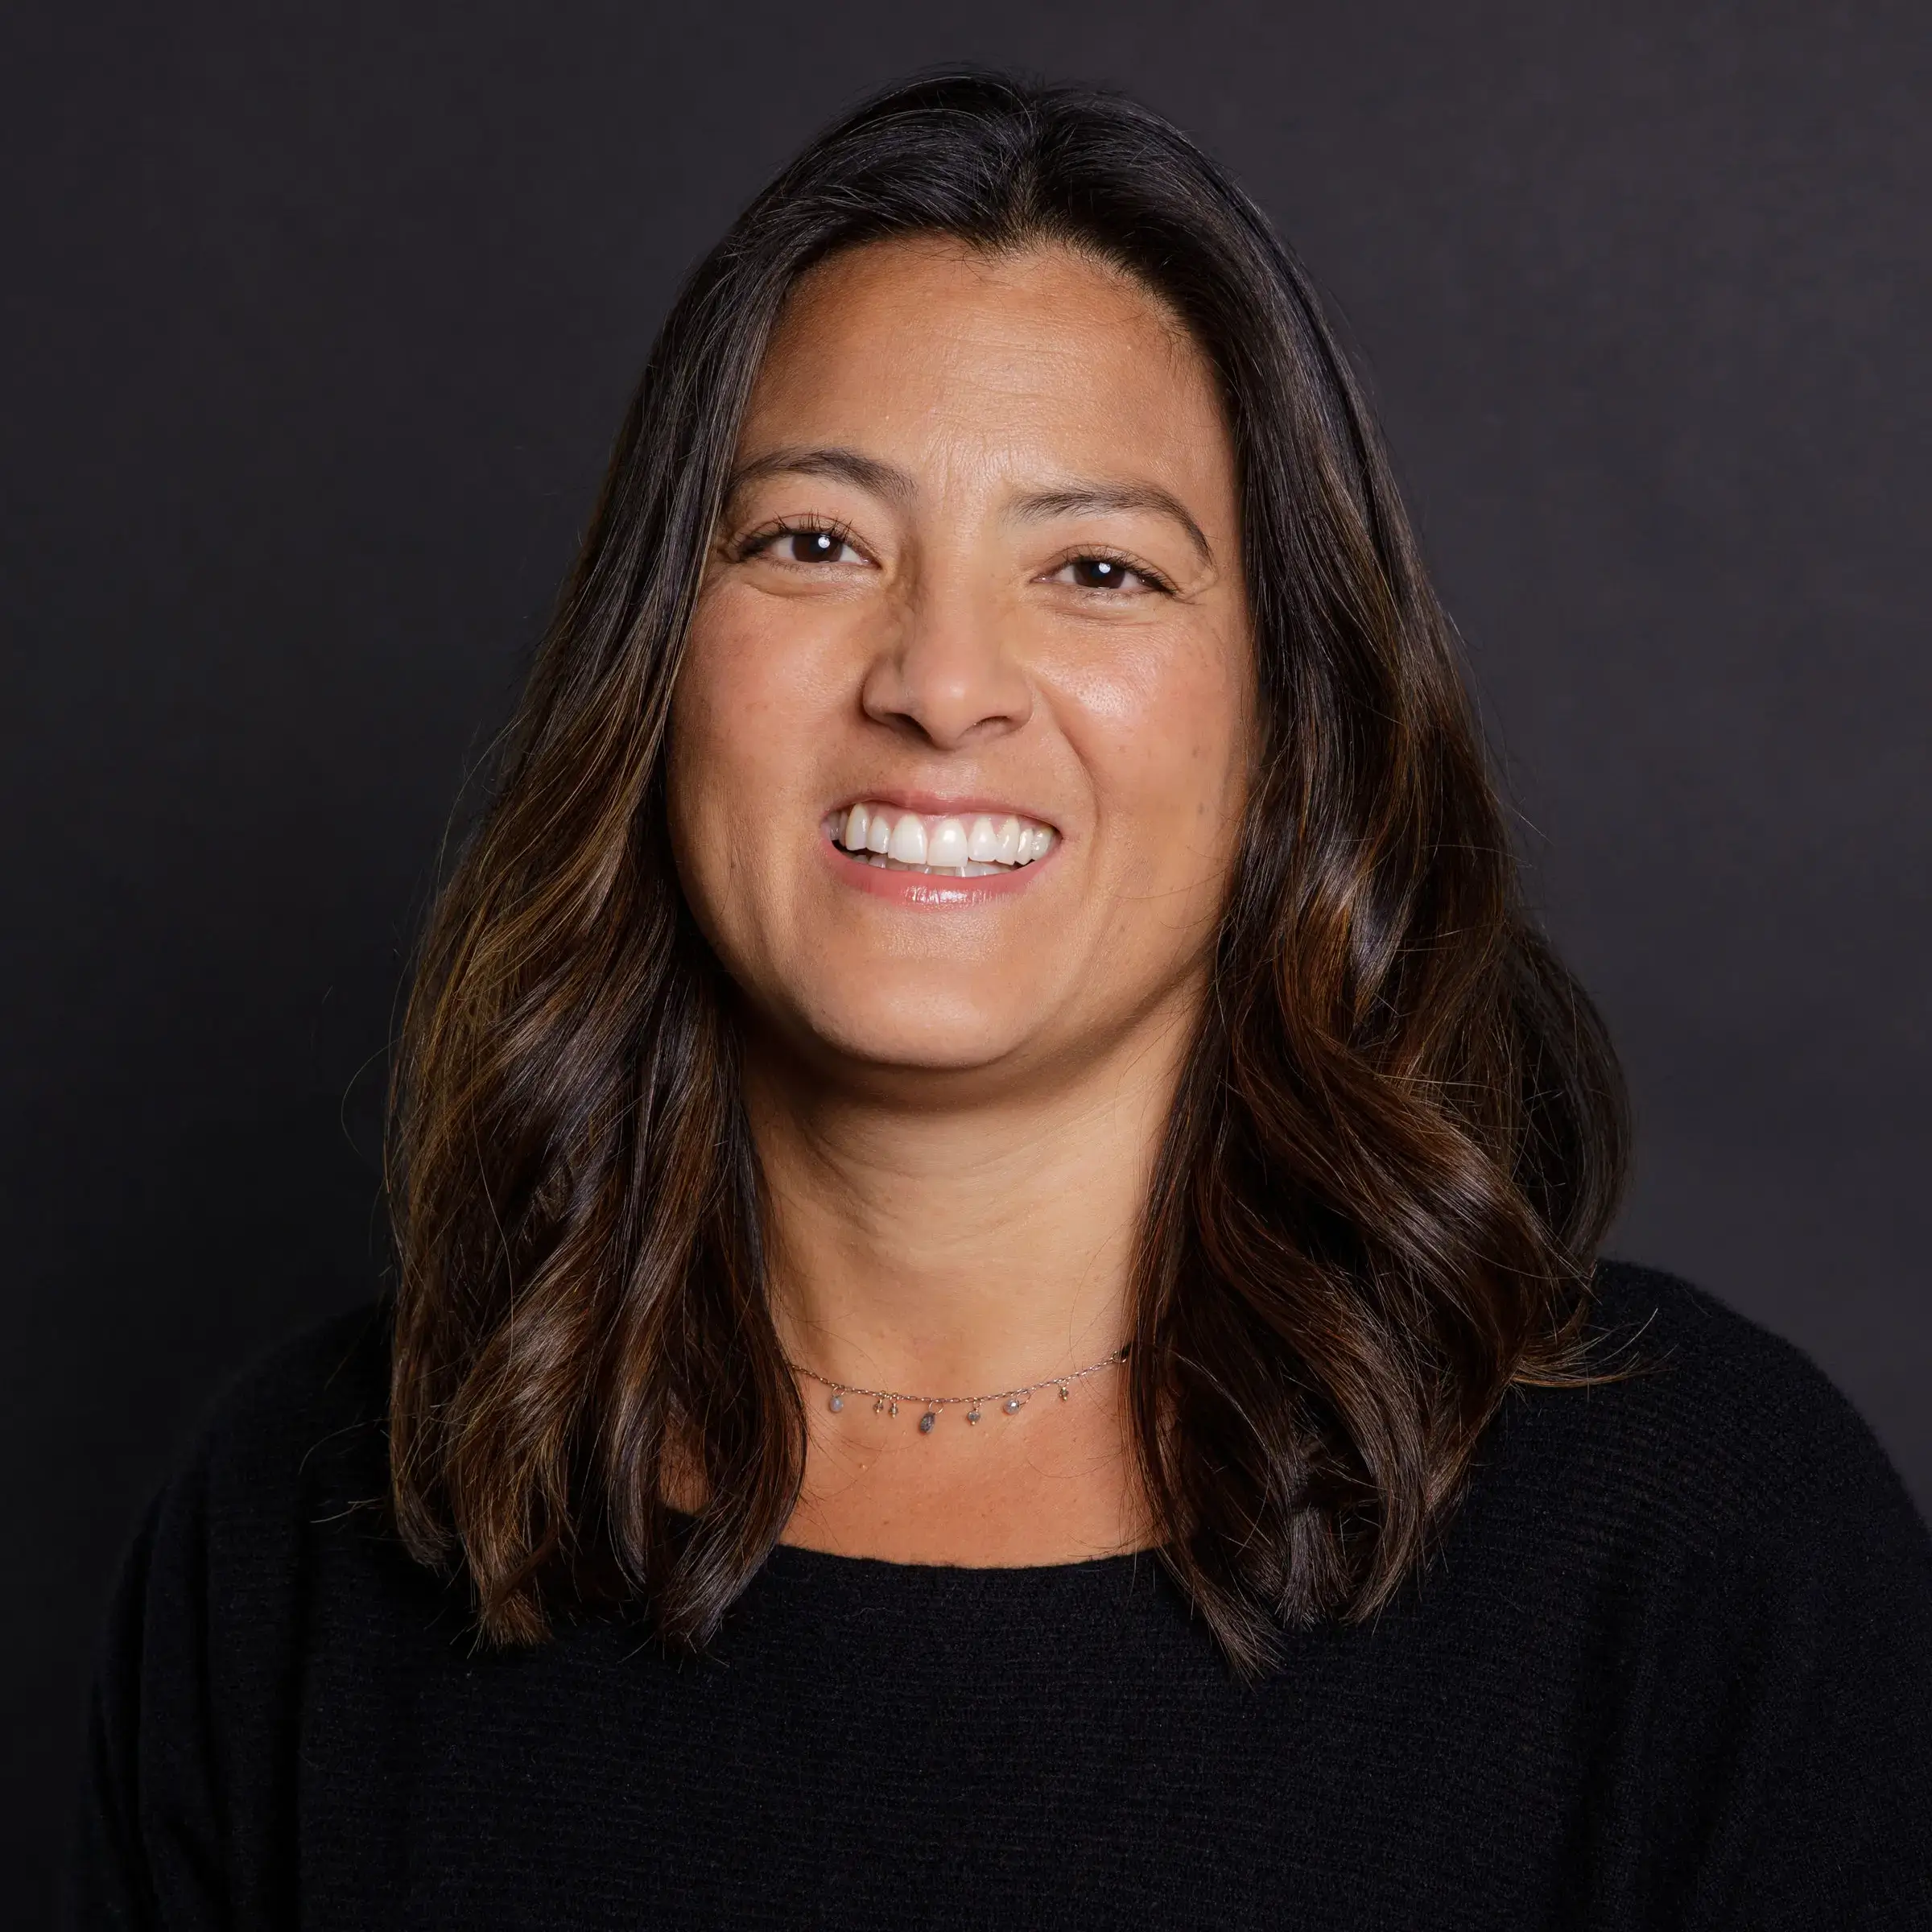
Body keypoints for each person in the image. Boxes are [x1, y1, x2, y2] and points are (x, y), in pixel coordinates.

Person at [76, 72, 1932, 1928]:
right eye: (813, 542)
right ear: (654, 667)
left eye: (1099, 569)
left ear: (1292, 730)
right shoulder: (304, 1534)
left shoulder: (1708, 1551)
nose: (943, 682)